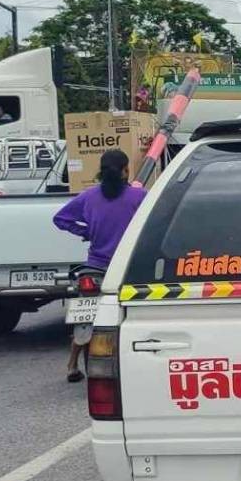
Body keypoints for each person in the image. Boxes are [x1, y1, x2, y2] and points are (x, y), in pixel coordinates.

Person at [52, 149, 147, 382]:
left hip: (94, 267)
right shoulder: (139, 196)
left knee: (86, 316)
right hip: (128, 267)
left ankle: (72, 365)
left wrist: (86, 231)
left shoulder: (89, 196)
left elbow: (60, 219)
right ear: (125, 171)